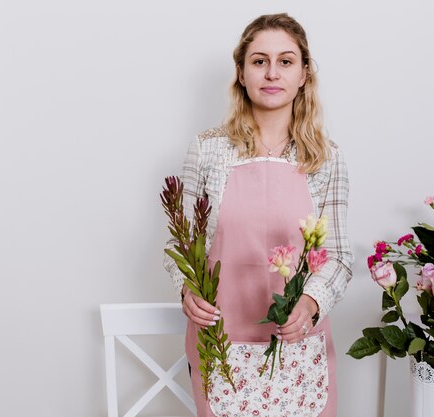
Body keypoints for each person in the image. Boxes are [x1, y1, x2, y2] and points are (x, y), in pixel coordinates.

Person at [164, 13, 354, 417]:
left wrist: (311, 302)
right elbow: (177, 246)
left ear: (304, 73)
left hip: (298, 345)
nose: (272, 72)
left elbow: (337, 256)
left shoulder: (326, 158)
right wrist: (187, 288)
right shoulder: (207, 151)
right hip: (220, 340)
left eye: (286, 61)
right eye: (259, 61)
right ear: (241, 72)